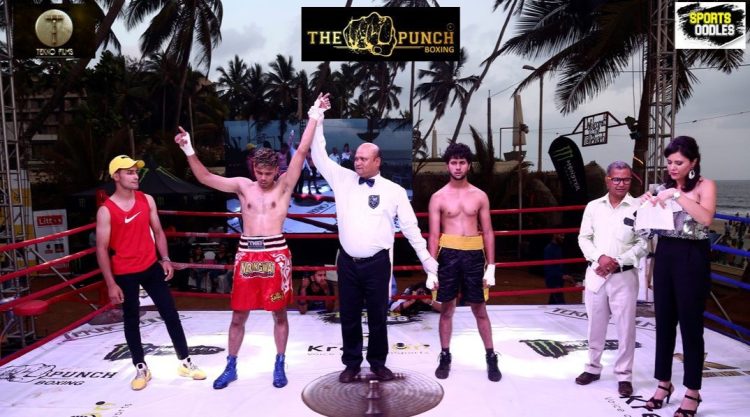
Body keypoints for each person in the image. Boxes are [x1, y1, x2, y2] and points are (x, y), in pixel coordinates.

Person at [174, 93, 331, 389]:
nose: (263, 177)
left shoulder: (284, 185)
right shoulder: (243, 186)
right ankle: (230, 366)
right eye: (259, 172)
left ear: (277, 171)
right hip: (247, 255)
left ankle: (279, 363)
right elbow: (205, 177)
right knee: (238, 315)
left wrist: (315, 113)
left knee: (279, 313)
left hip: (275, 254)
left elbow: (301, 151)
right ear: (253, 169)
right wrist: (188, 149)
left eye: (268, 173)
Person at [308, 95, 438, 383]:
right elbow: (318, 156)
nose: (357, 162)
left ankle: (378, 363)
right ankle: (352, 363)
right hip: (347, 262)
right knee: (349, 315)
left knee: (379, 316)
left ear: (377, 161)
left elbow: (411, 229)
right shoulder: (342, 179)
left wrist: (428, 261)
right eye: (356, 157)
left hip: (378, 264)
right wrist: (318, 118)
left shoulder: (394, 191)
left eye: (363, 159)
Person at [95, 155, 206, 391]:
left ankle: (185, 361)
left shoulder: (147, 199)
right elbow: (102, 249)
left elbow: (158, 230)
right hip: (125, 272)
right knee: (131, 320)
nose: (135, 176)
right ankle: (141, 367)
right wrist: (111, 284)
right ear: (116, 176)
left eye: (136, 172)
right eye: (129, 172)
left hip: (150, 267)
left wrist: (165, 259)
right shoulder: (106, 211)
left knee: (171, 314)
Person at [642, 136, 716, 417]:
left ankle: (693, 391)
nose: (672, 167)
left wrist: (675, 195)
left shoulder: (705, 186)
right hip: (665, 254)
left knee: (691, 327)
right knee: (663, 323)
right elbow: (649, 227)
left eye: (679, 162)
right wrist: (647, 205)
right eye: (669, 162)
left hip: (692, 256)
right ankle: (664, 383)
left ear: (693, 162)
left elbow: (706, 219)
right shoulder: (662, 188)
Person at [427, 143, 501, 382]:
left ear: (468, 165)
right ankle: (445, 355)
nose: (457, 167)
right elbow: (433, 235)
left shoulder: (479, 195)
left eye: (462, 162)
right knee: (446, 308)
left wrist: (491, 266)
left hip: (474, 255)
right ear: (447, 165)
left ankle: (491, 356)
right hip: (447, 255)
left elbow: (488, 232)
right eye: (453, 162)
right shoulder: (438, 197)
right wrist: (431, 269)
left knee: (479, 308)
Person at [575, 161, 647, 397]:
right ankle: (592, 368)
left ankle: (624, 376)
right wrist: (600, 258)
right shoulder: (593, 207)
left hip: (624, 276)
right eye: (616, 179)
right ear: (607, 180)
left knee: (626, 328)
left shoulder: (639, 208)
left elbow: (643, 244)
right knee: (595, 325)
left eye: (626, 179)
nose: (621, 184)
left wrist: (618, 260)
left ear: (630, 181)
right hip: (596, 273)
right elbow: (583, 238)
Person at [544, 233, 573, 304]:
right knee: (561, 303)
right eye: (561, 235)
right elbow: (548, 267)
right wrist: (562, 276)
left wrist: (565, 275)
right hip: (553, 281)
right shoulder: (549, 249)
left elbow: (559, 265)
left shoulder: (558, 248)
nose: (563, 237)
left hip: (558, 280)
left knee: (553, 302)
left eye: (563, 236)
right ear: (555, 235)